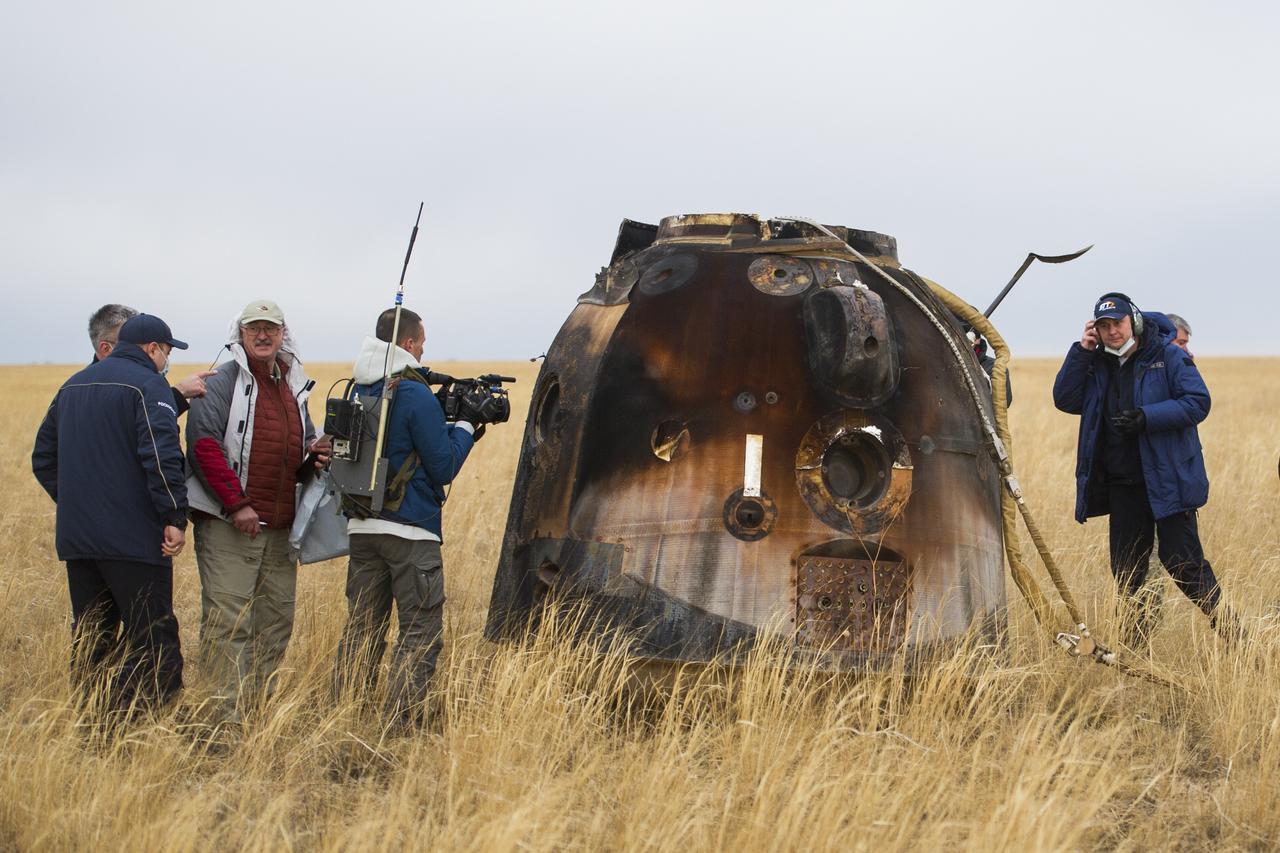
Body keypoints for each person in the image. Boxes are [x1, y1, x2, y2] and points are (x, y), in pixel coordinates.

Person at [1052, 293, 1240, 645]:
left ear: (1133, 322)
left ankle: (1236, 634)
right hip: (1123, 486)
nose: (1112, 332)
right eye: (1103, 326)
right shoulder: (1098, 363)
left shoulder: (1167, 355)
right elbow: (1066, 399)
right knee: (1127, 573)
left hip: (1167, 480)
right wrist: (1081, 350)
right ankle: (1133, 651)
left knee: (1186, 567)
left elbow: (1198, 402)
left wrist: (1147, 418)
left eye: (1118, 324)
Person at [332, 307, 486, 728]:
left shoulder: (359, 386)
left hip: (362, 526)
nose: (423, 350)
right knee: (418, 633)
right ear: (409, 344)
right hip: (410, 531)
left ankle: (346, 716)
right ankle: (400, 725)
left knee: (362, 630)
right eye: (422, 342)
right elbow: (442, 466)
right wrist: (466, 426)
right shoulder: (414, 393)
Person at [32, 313, 190, 713]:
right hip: (133, 540)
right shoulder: (148, 385)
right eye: (167, 351)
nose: (166, 360)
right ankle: (144, 724)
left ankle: (89, 720)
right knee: (153, 636)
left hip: (79, 541)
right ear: (152, 349)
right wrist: (174, 517)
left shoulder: (71, 387)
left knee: (92, 634)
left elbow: (43, 458)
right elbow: (162, 455)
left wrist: (78, 505)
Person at [185, 300, 329, 724]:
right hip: (231, 526)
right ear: (240, 334)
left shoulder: (291, 386)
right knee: (228, 625)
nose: (263, 336)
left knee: (274, 624)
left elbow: (292, 452)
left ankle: (255, 715)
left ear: (284, 334)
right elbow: (203, 445)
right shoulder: (224, 379)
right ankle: (220, 721)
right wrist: (238, 504)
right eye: (254, 329)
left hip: (280, 529)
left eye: (272, 328)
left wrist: (314, 456)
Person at [88, 304, 217, 414]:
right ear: (106, 349)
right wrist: (177, 392)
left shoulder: (75, 385)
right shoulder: (92, 391)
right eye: (126, 340)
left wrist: (177, 394)